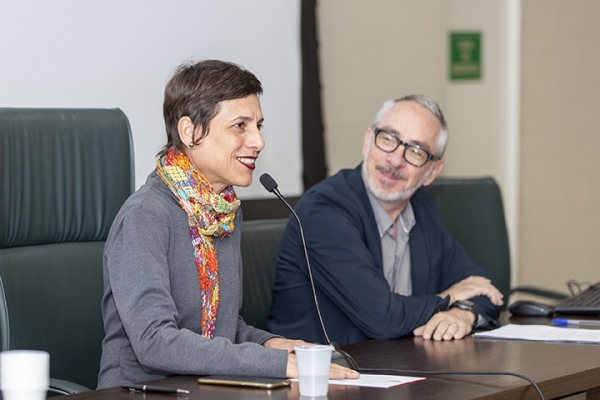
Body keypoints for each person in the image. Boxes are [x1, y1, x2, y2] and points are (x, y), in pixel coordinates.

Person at [97, 59, 359, 388]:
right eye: (240, 126)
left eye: (259, 126)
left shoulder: (223, 212)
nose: (258, 141)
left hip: (207, 388)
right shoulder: (145, 216)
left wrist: (272, 343)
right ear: (190, 132)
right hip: (139, 392)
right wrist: (277, 364)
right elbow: (155, 342)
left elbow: (220, 329)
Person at [267, 95, 504, 346]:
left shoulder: (422, 208)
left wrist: (463, 312)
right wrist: (451, 296)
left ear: (432, 171)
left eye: (416, 151)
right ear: (368, 141)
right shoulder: (324, 209)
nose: (395, 159)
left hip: (397, 370)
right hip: (316, 376)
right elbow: (383, 318)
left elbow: (483, 289)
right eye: (388, 139)